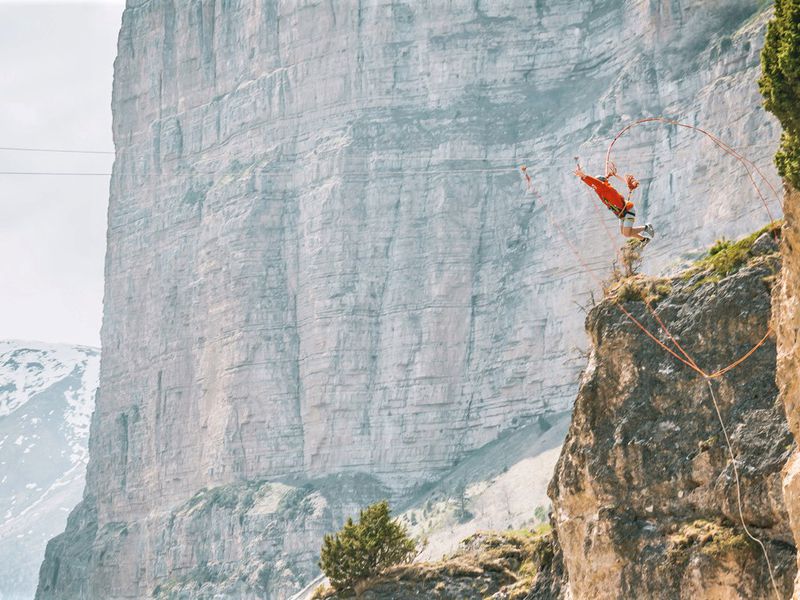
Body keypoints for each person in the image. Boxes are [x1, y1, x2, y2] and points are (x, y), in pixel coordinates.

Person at [574, 161, 654, 243]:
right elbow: (593, 184)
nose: (594, 187)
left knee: (627, 233)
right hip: (621, 213)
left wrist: (583, 175)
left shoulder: (605, 188)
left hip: (627, 210)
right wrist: (582, 178)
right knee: (624, 232)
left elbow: (594, 182)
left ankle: (646, 228)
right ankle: (644, 239)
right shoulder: (602, 189)